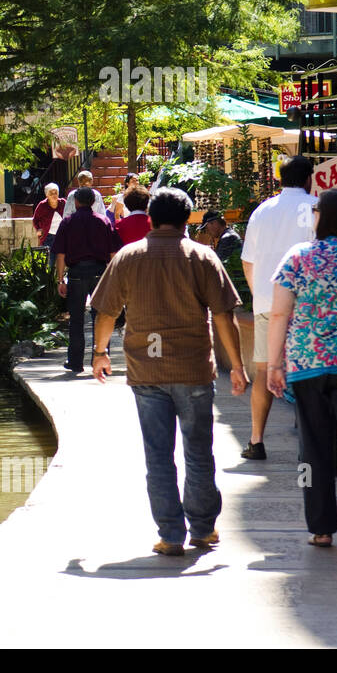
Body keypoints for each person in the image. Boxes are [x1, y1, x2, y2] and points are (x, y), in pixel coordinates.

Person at [90, 187, 248, 556]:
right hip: (193, 369)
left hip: (146, 373)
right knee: (198, 451)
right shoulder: (202, 256)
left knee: (158, 455)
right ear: (186, 219)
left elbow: (107, 312)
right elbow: (225, 315)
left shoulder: (128, 257)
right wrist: (237, 366)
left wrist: (99, 353)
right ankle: (204, 529)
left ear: (150, 219)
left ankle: (171, 535)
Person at [265, 188, 337, 547]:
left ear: (320, 217)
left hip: (307, 364)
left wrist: (274, 364)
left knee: (313, 449)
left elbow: (279, 314)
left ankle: (320, 528)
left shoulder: (298, 257)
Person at [240, 155, 317, 460]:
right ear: (309, 177)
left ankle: (256, 440)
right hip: (306, 304)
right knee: (309, 372)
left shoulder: (262, 211)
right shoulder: (316, 207)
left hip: (266, 302)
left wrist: (259, 292)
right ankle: (309, 445)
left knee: (263, 370)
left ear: (278, 179)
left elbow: (248, 261)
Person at [52, 186, 122, 373]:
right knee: (101, 318)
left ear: (75, 202)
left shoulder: (68, 222)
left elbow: (60, 254)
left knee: (76, 320)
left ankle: (75, 362)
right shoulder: (104, 221)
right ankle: (100, 359)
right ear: (93, 202)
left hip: (76, 274)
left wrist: (60, 280)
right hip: (100, 273)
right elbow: (114, 253)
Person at [31, 183, 65, 247]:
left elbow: (69, 216)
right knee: (50, 256)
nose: (54, 195)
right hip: (48, 237)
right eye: (51, 193)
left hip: (62, 236)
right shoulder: (42, 205)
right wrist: (38, 229)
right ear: (47, 195)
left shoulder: (63, 203)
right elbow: (35, 219)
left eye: (56, 192)